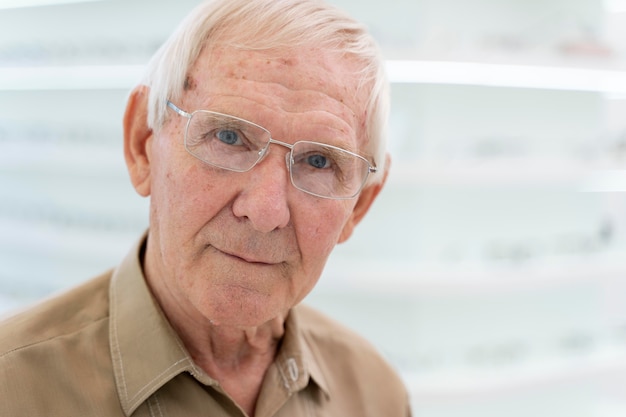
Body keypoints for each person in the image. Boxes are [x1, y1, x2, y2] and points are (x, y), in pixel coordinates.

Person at [0, 0, 411, 415]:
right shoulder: (12, 387)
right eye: (229, 137)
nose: (266, 211)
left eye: (319, 162)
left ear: (358, 205)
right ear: (143, 143)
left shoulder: (375, 395)